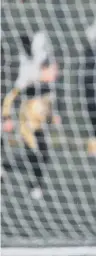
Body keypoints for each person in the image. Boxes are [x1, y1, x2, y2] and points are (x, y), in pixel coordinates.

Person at [1, 60, 60, 200]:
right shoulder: (30, 84)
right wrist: (7, 117)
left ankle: (7, 167)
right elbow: (11, 97)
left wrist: (53, 118)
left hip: (39, 128)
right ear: (44, 69)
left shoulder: (50, 89)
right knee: (34, 155)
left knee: (43, 156)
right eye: (54, 70)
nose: (57, 74)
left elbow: (47, 108)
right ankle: (36, 186)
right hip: (26, 128)